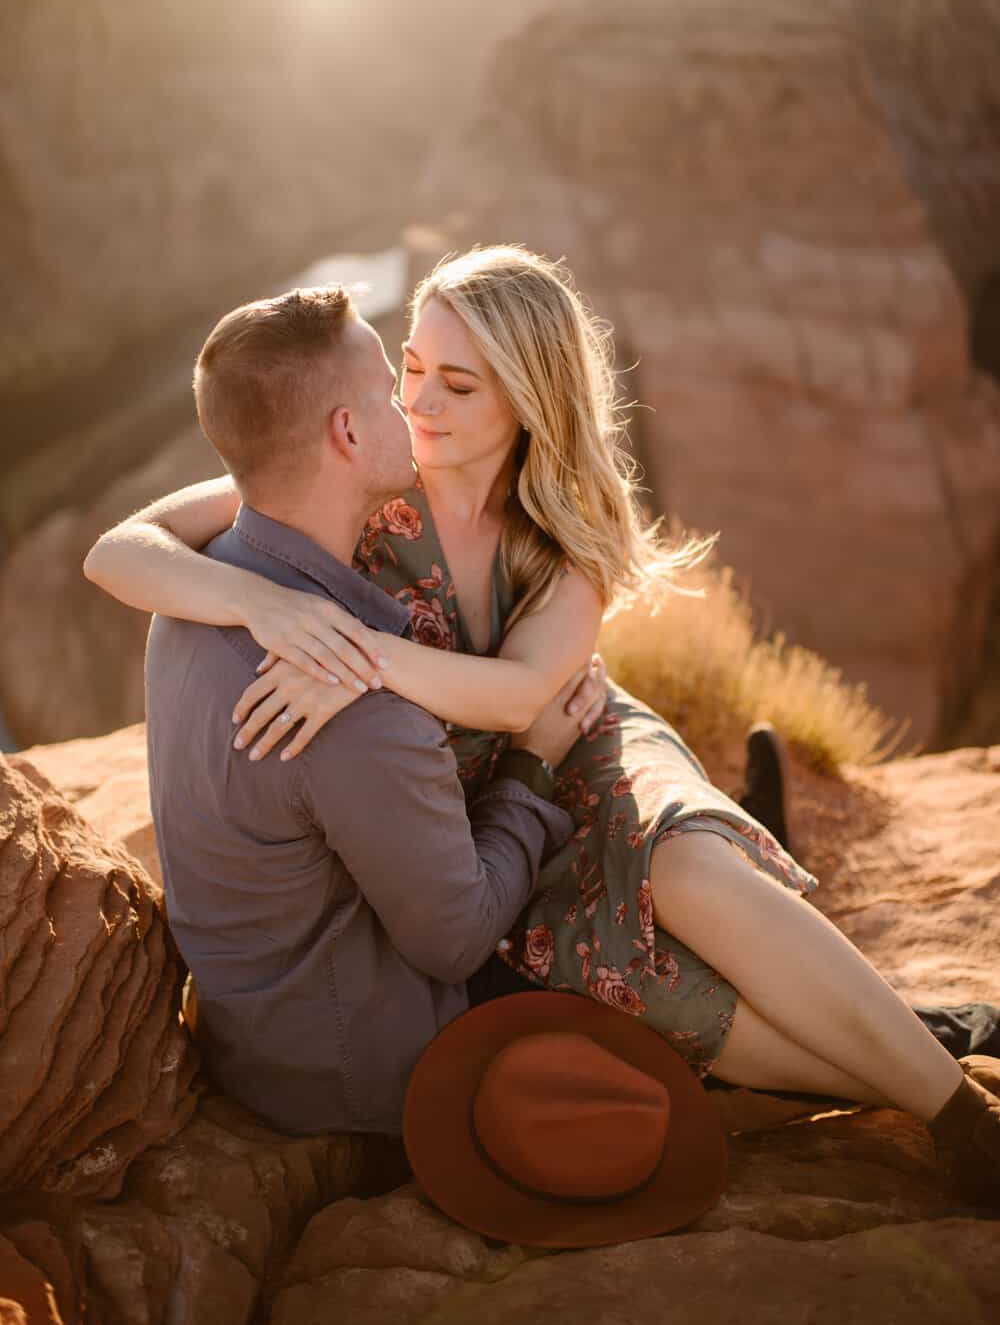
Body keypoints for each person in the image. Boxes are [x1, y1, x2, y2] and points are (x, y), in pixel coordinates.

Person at [86, 247, 1000, 1204]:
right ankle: (936, 1055)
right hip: (455, 803)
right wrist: (258, 606)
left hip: (570, 736)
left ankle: (955, 1111)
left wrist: (359, 658)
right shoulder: (364, 474)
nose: (422, 403)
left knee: (687, 871)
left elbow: (526, 697)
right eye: (411, 371)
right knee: (651, 977)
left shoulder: (565, 527)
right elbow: (122, 553)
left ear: (528, 398)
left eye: (458, 385)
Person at [112, 282, 601, 1136]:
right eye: (390, 388)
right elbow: (457, 941)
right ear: (346, 432)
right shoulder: (362, 711)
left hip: (253, 1036)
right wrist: (533, 762)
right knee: (610, 930)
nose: (411, 405)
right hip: (372, 1071)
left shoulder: (192, 595)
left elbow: (122, 549)